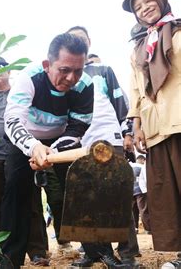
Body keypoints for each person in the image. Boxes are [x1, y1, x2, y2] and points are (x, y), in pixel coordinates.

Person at [2, 33, 94, 268]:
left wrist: (50, 153)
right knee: (15, 193)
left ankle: (97, 252)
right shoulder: (29, 78)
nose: (71, 78)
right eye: (64, 70)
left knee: (79, 188)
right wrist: (33, 147)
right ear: (47, 65)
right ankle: (10, 260)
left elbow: (77, 127)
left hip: (61, 140)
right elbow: (13, 120)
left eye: (78, 70)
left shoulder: (85, 86)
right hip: (24, 139)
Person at [67, 26, 140, 268]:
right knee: (87, 200)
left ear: (88, 44)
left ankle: (128, 253)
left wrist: (127, 132)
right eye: (73, 39)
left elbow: (120, 100)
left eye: (82, 39)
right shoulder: (66, 74)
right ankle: (96, 252)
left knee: (117, 196)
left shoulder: (103, 70)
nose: (78, 42)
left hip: (108, 136)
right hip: (80, 143)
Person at [123, 0, 181, 266]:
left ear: (161, 0)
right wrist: (136, 126)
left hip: (179, 119)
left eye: (149, 0)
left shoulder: (179, 30)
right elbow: (136, 89)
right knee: (168, 194)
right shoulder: (137, 47)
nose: (144, 8)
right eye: (138, 7)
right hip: (155, 127)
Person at [0, 57, 49, 266]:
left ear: (8, 72)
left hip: (21, 154)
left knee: (31, 202)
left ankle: (37, 251)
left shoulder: (20, 92)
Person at [131, 155, 150, 234]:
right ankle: (148, 229)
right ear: (143, 160)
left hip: (131, 191)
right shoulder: (142, 166)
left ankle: (135, 229)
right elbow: (145, 179)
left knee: (133, 210)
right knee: (143, 210)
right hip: (140, 191)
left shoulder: (131, 166)